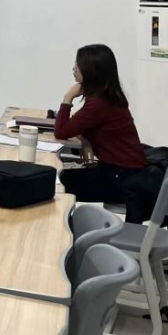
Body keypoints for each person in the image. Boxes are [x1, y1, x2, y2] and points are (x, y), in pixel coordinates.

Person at [55, 44, 148, 210]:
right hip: (127, 173)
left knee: (55, 182)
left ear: (91, 71)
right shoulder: (108, 97)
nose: (74, 69)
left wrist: (68, 97)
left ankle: (62, 225)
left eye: (78, 65)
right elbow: (80, 127)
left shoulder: (99, 104)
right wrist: (85, 140)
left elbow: (61, 131)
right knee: (59, 176)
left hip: (121, 180)